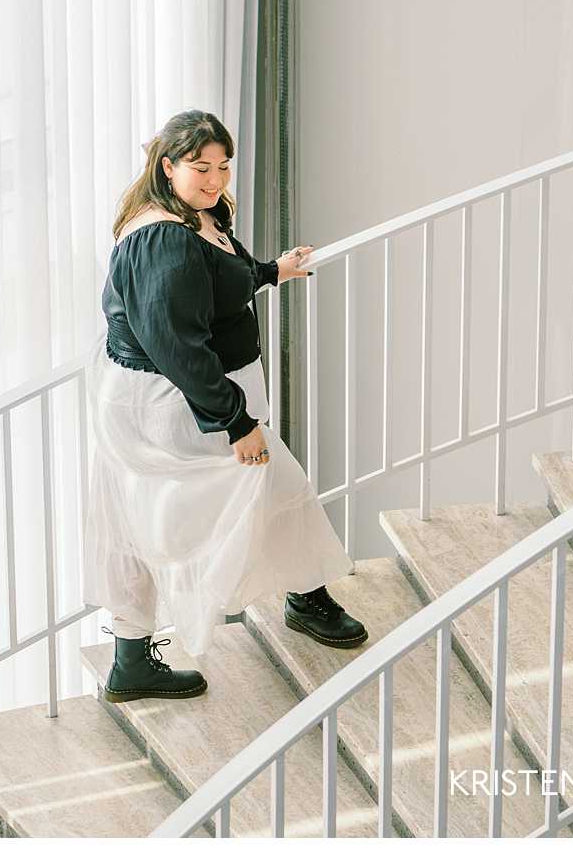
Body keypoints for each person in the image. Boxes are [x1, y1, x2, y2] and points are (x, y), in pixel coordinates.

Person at [83, 109, 366, 703]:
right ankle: (300, 598)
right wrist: (234, 420)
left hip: (186, 394)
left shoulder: (198, 214)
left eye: (222, 165)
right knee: (226, 499)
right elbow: (177, 343)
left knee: (246, 495)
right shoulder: (163, 237)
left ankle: (136, 658)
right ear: (168, 166)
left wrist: (268, 272)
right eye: (199, 166)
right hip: (174, 402)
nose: (215, 178)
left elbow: (214, 283)